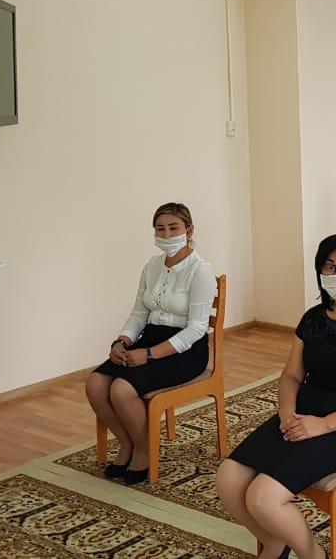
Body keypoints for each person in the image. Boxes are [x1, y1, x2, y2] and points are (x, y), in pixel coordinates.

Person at [217, 234, 336, 559]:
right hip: (301, 415)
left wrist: (324, 425)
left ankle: (313, 554)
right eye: (329, 267)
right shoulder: (313, 318)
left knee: (262, 497)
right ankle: (274, 542)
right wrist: (286, 412)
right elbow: (291, 375)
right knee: (228, 480)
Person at [85, 203, 218, 485]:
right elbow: (138, 313)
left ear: (189, 231)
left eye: (173, 228)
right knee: (95, 384)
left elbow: (196, 328)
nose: (166, 234)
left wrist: (148, 355)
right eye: (160, 229)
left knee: (121, 389)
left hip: (185, 349)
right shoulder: (152, 266)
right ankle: (128, 443)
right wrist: (122, 341)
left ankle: (145, 450)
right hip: (149, 339)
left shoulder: (200, 270)